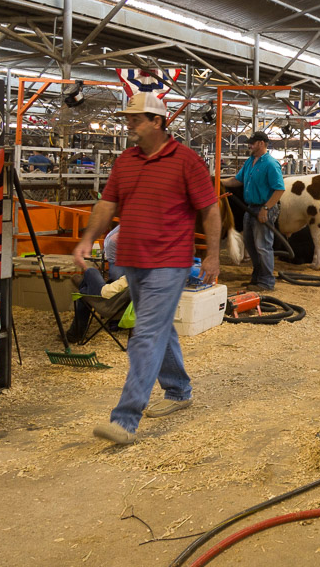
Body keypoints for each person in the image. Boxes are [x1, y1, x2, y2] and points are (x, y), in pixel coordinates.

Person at [73, 92, 220, 446]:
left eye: (137, 119)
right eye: (129, 119)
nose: (130, 125)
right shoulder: (126, 161)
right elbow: (107, 204)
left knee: (145, 335)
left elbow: (210, 209)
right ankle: (179, 390)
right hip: (132, 259)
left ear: (158, 121)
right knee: (157, 328)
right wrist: (88, 238)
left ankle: (125, 420)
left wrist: (212, 254)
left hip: (169, 261)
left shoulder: (186, 161)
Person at [223, 131, 285, 292]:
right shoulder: (251, 161)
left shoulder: (271, 164)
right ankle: (257, 277)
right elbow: (237, 180)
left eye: (252, 143)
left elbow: (279, 189)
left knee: (263, 245)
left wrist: (266, 208)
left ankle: (266, 281)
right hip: (250, 208)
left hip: (264, 208)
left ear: (261, 143)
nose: (249, 145)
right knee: (251, 245)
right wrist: (217, 180)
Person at [67, 224, 125, 342]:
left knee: (90, 272)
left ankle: (84, 284)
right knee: (84, 292)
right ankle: (84, 286)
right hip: (114, 296)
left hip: (107, 297)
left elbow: (112, 290)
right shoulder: (141, 276)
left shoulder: (132, 276)